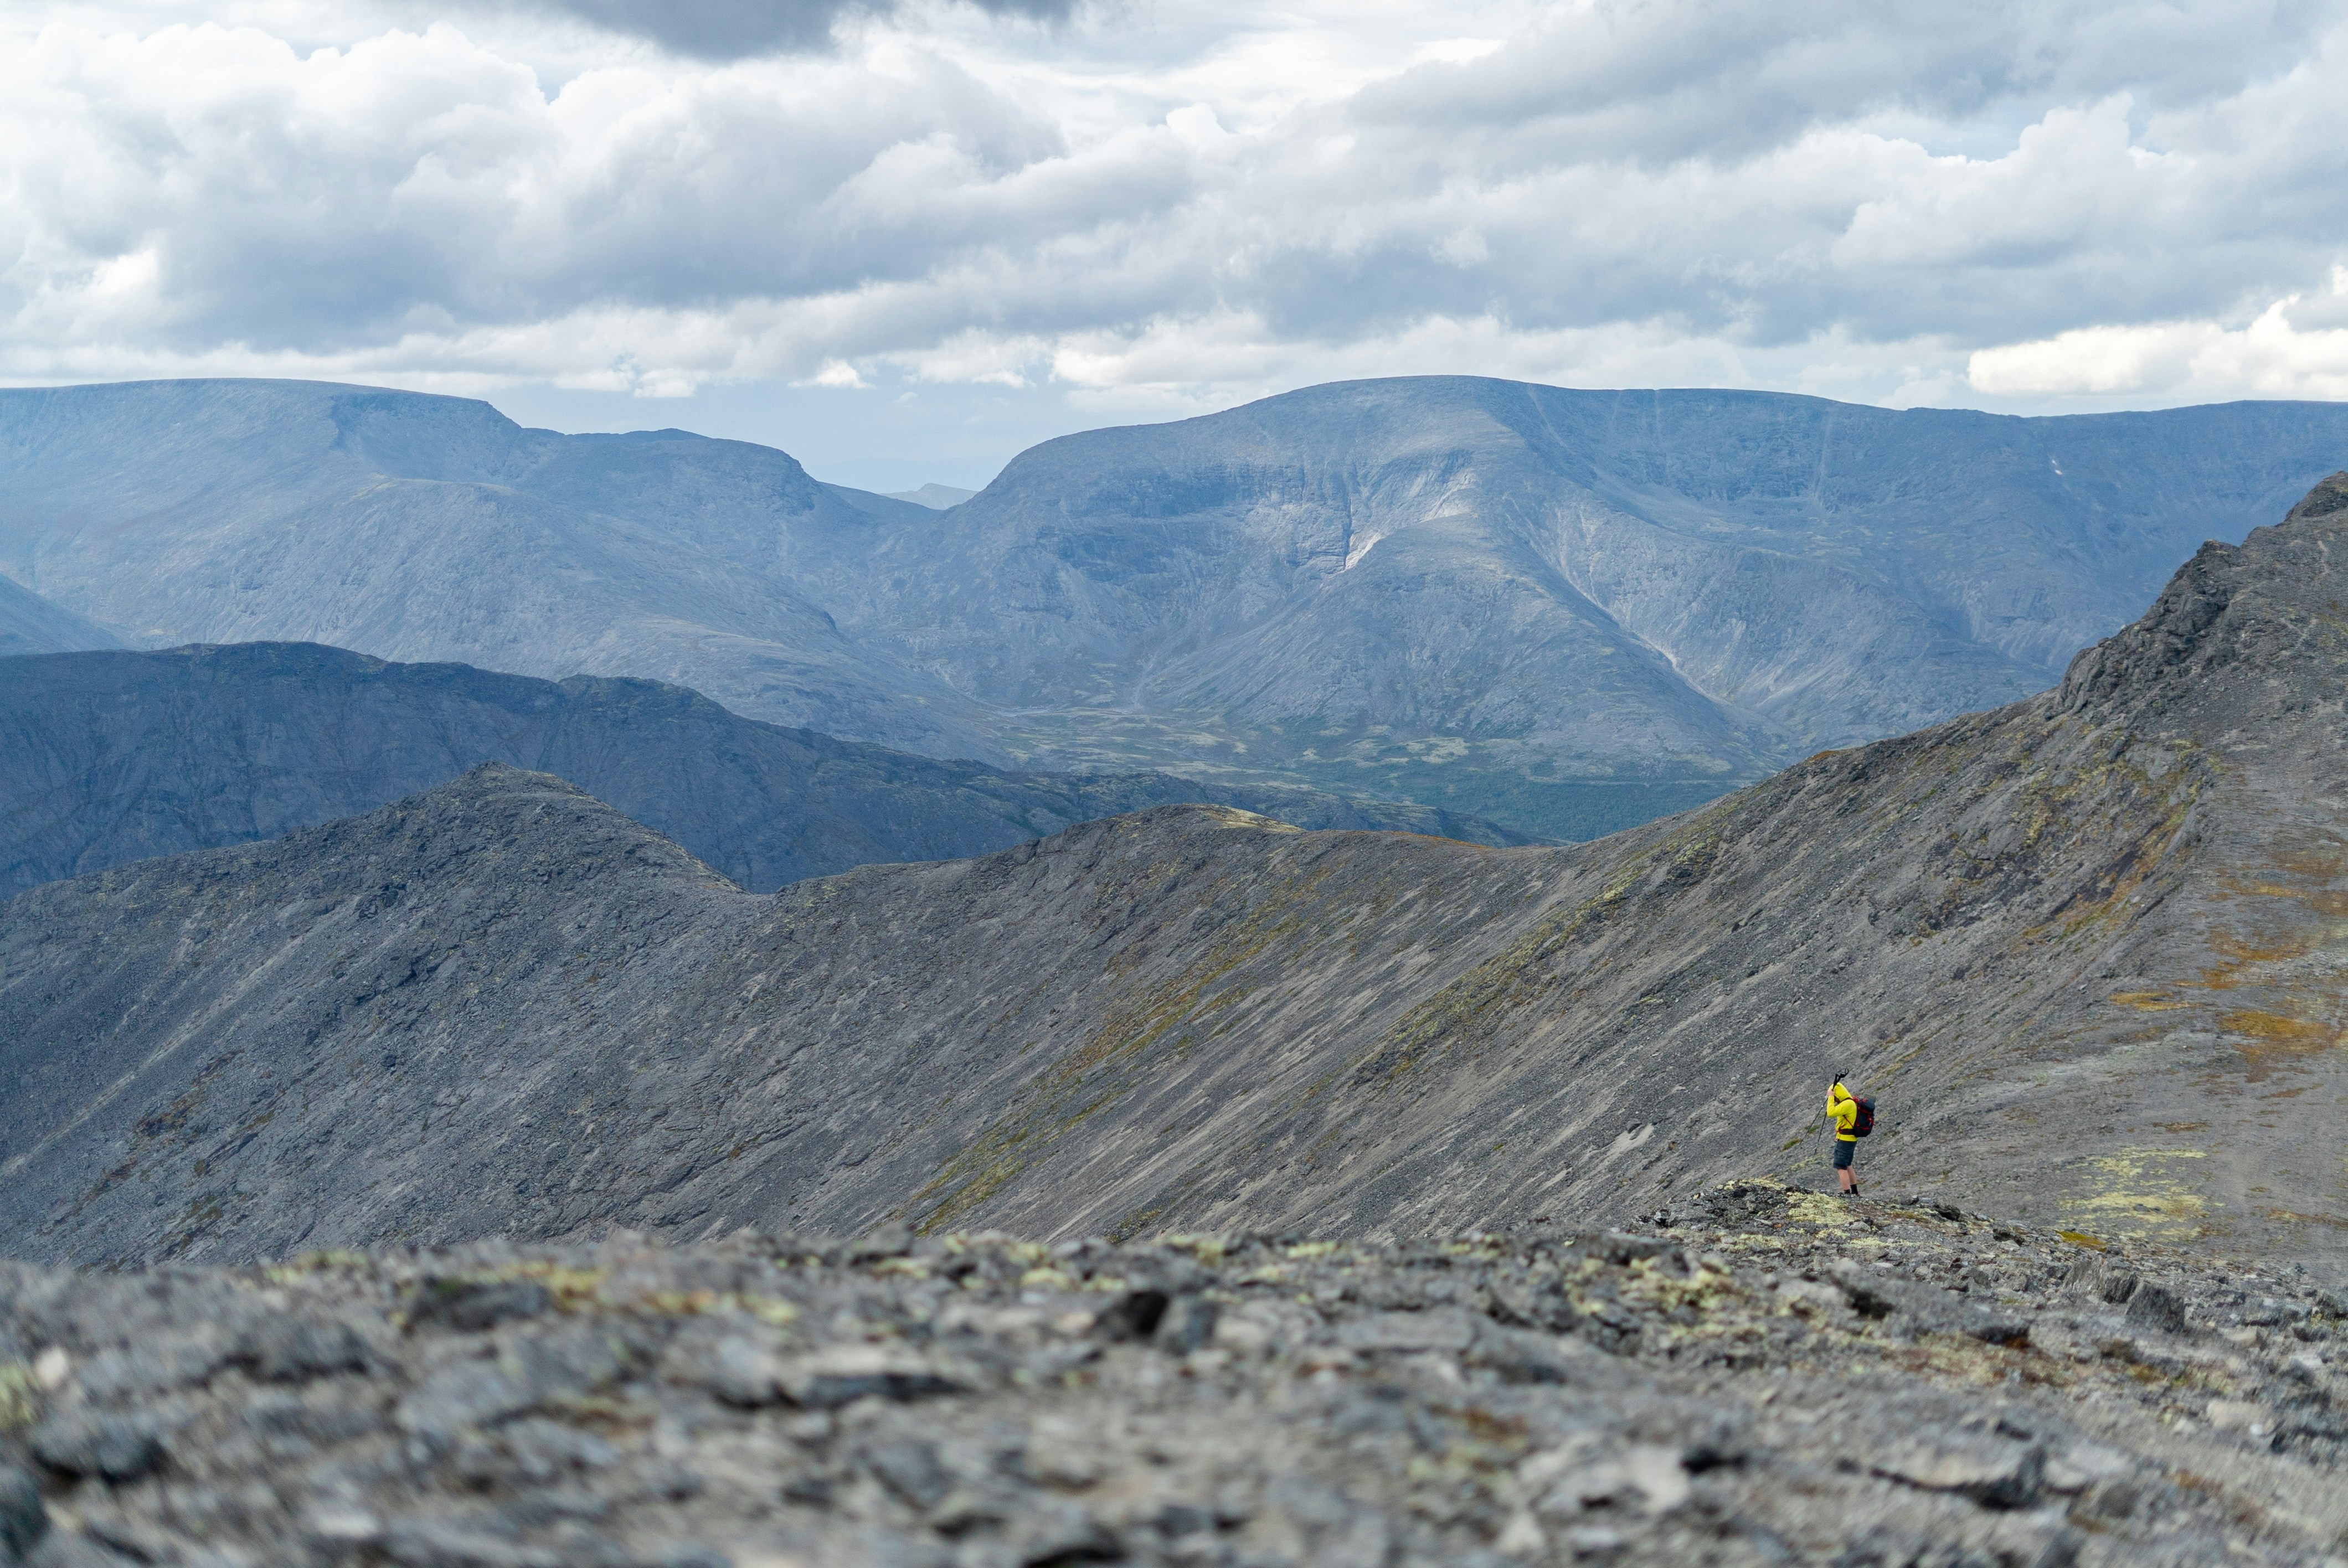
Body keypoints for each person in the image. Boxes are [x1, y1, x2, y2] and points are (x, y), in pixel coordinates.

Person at [1827, 1075, 1860, 1196]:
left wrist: (1830, 1098)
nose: (1835, 1100)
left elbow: (1831, 1113)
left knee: (1841, 1166)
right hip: (1849, 1138)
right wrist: (1839, 1133)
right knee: (1848, 1164)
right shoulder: (1850, 1103)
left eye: (1836, 1097)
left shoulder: (1847, 1104)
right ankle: (1855, 1192)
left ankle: (1847, 1194)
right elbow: (1842, 1121)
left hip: (1846, 1140)